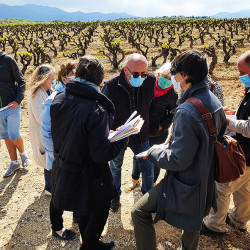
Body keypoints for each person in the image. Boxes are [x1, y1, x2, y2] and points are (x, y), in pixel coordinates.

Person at [131, 50, 227, 250]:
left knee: (139, 212)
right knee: (195, 219)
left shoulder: (186, 110)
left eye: (175, 74)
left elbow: (178, 160)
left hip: (185, 181)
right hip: (206, 177)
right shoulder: (213, 99)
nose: (173, 78)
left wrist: (153, 152)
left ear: (185, 76)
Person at [50, 55, 128, 250]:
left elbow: (72, 132)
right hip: (90, 173)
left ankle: (91, 242)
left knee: (83, 207)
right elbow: (101, 154)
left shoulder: (59, 99)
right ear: (100, 81)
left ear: (76, 74)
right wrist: (122, 137)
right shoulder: (96, 109)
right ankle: (89, 245)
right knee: (99, 211)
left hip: (66, 165)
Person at [201, 50, 250, 235]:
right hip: (247, 155)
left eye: (243, 72)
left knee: (222, 188)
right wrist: (235, 115)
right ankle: (238, 221)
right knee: (245, 190)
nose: (239, 76)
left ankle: (214, 225)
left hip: (245, 154)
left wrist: (228, 120)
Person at [101, 53, 156, 212]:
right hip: (119, 135)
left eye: (143, 73)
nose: (141, 77)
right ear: (125, 70)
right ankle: (115, 197)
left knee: (148, 167)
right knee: (115, 168)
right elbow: (103, 111)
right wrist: (109, 131)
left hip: (140, 135)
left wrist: (155, 125)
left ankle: (147, 200)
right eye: (136, 74)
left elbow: (158, 103)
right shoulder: (111, 86)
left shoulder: (150, 81)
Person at [41, 62, 78, 238]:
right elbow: (46, 134)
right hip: (59, 158)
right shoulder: (53, 100)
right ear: (64, 78)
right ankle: (57, 228)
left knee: (78, 186)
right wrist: (56, 156)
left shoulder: (76, 94)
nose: (77, 77)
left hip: (73, 155)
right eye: (73, 74)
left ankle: (78, 217)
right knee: (58, 193)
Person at [128, 62, 178, 190]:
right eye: (164, 77)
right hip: (141, 129)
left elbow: (172, 113)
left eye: (169, 78)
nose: (166, 80)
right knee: (138, 156)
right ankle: (135, 178)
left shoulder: (172, 94)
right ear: (158, 74)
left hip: (158, 132)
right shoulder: (147, 85)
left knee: (156, 159)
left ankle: (153, 182)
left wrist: (162, 126)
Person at [0, 51, 30, 177]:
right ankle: (14, 163)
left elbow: (22, 82)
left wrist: (17, 100)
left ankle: (23, 154)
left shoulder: (8, 60)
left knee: (14, 134)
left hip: (12, 105)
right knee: (6, 136)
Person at [27, 64, 56, 196]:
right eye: (52, 78)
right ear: (45, 78)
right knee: (46, 158)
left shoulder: (47, 90)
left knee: (49, 157)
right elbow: (40, 117)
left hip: (47, 131)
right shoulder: (37, 94)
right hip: (41, 132)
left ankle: (51, 185)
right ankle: (49, 188)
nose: (54, 80)